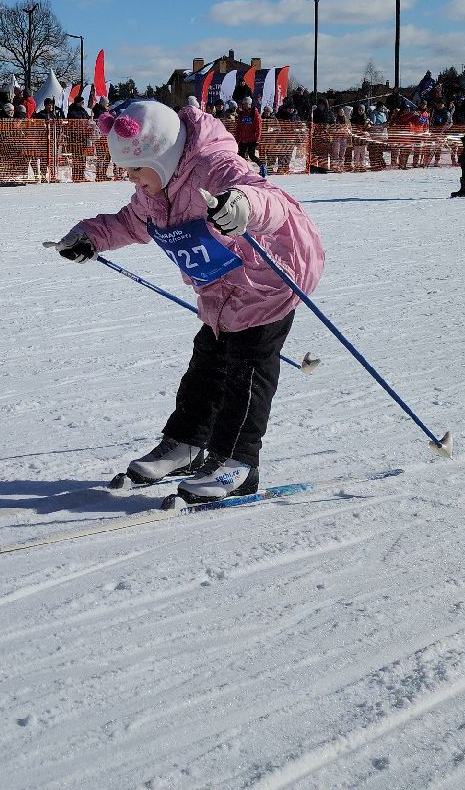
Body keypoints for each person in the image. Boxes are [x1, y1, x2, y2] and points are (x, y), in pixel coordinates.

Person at [49, 99, 325, 503]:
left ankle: (238, 464)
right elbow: (131, 223)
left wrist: (243, 206)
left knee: (246, 373)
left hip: (270, 280)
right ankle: (187, 444)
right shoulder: (154, 191)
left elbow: (273, 201)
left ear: (161, 157)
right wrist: (91, 235)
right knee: (207, 365)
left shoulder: (215, 169)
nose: (132, 180)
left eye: (136, 170)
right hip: (222, 288)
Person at [232, 95, 263, 173]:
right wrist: (237, 139)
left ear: (250, 104)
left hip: (252, 139)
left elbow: (258, 127)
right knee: (240, 155)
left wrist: (257, 138)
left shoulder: (254, 113)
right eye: (244, 104)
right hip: (243, 139)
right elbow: (238, 128)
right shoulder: (241, 114)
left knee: (251, 155)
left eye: (247, 104)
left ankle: (262, 166)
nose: (245, 105)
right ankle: (243, 169)